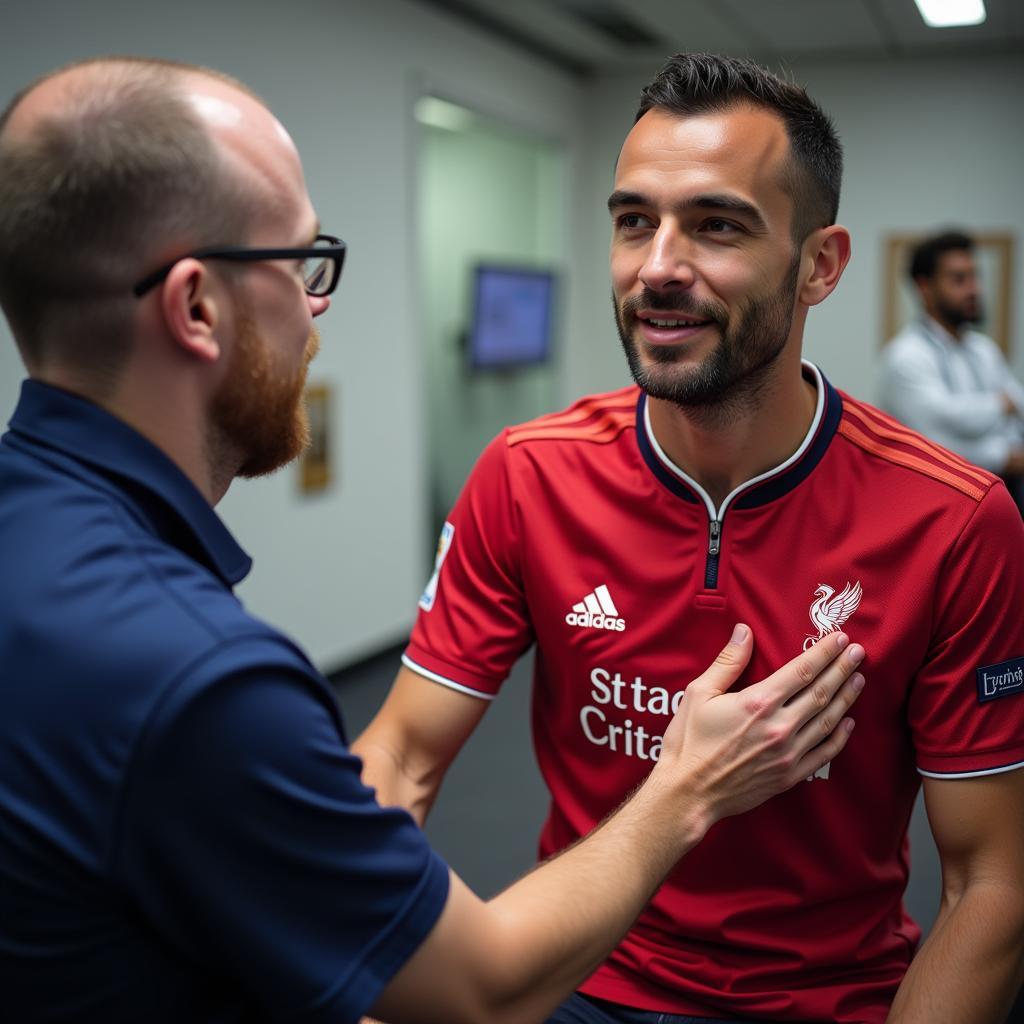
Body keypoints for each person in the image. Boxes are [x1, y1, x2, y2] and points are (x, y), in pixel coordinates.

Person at [0, 57, 869, 1024]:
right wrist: (691, 784)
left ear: (818, 264)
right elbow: (481, 989)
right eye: (300, 263)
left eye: (716, 224)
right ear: (197, 307)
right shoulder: (195, 676)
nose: (317, 305)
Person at [354, 53, 1024, 1024]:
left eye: (716, 225)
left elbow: (990, 882)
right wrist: (361, 964)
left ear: (818, 266)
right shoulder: (528, 473)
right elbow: (402, 756)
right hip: (578, 972)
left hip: (826, 998)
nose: (657, 266)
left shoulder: (955, 520)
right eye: (635, 221)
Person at [879, 229, 1024, 514]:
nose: (974, 289)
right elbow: (940, 444)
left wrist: (1001, 412)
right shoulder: (905, 357)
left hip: (1000, 493)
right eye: (959, 279)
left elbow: (1018, 408)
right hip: (936, 505)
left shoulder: (984, 350)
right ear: (924, 287)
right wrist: (1000, 408)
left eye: (975, 276)